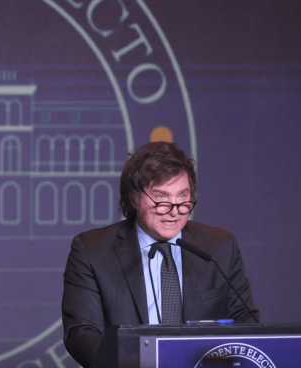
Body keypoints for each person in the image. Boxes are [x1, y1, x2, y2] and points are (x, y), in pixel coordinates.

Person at [61, 141, 260, 367]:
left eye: (182, 197)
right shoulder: (92, 250)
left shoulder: (219, 247)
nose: (174, 211)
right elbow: (81, 333)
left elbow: (246, 322)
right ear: (134, 198)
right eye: (162, 198)